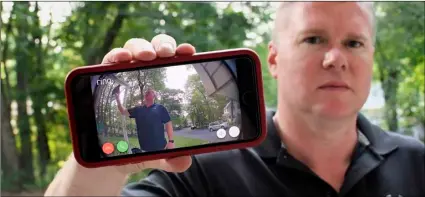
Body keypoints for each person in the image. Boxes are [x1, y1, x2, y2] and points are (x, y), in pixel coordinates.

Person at [45, 2, 425, 196]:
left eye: (353, 42)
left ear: (371, 57)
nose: (335, 58)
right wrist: (102, 167)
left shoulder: (417, 162)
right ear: (274, 59)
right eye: (314, 39)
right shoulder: (200, 172)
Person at [114, 86, 175, 152]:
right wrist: (117, 99)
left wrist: (171, 141)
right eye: (146, 92)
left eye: (149, 91)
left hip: (161, 148)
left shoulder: (160, 108)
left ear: (154, 96)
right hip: (144, 150)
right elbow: (123, 111)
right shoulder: (138, 109)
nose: (147, 92)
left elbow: (168, 123)